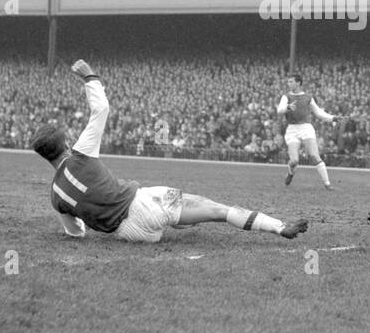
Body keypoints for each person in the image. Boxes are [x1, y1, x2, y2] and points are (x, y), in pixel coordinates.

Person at [33, 60, 308, 243]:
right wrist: (90, 77)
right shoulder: (80, 156)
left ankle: (178, 220)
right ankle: (279, 227)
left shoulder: (55, 197)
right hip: (142, 205)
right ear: (67, 145)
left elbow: (75, 232)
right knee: (218, 210)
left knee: (175, 216)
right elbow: (102, 108)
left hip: (128, 234)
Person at [277, 73, 336, 189]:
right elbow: (279, 110)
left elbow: (318, 113)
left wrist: (333, 118)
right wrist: (288, 107)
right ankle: (290, 173)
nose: (289, 84)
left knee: (314, 155)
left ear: (298, 83)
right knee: (294, 160)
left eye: (291, 81)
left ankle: (327, 184)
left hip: (306, 128)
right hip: (292, 129)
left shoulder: (308, 97)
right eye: (288, 82)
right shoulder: (286, 97)